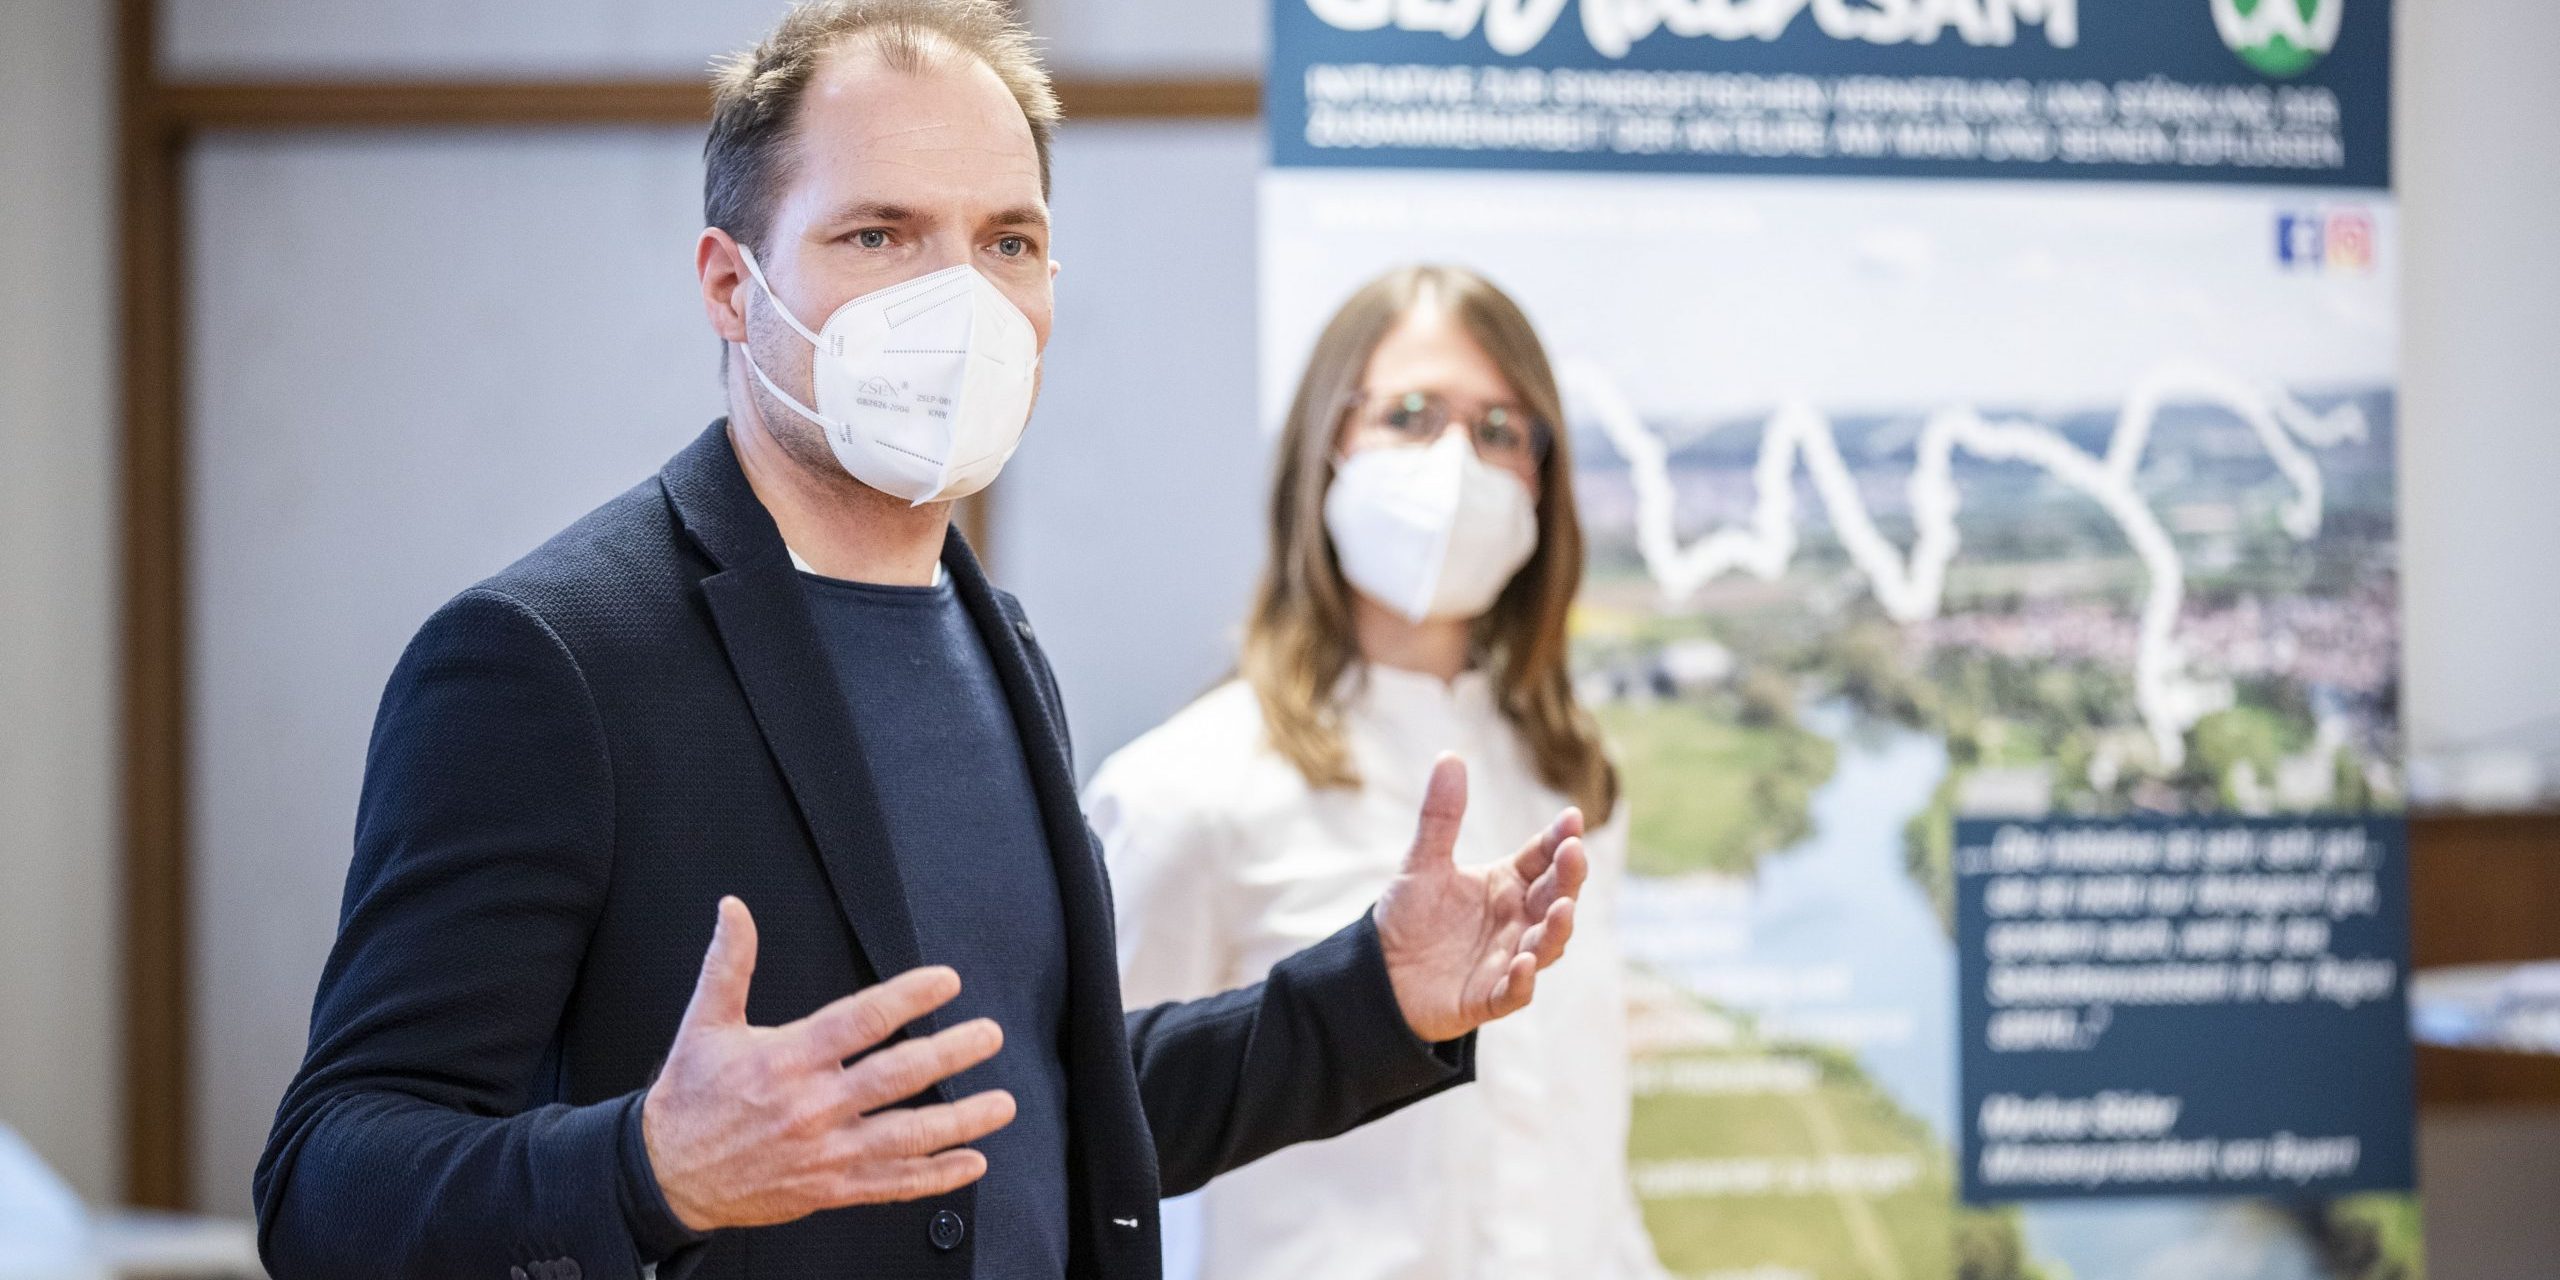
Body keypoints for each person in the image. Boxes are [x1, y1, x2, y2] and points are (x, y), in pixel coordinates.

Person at [250, 5, 1593, 1279]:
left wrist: (1374, 1000)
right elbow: (325, 1184)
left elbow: (1035, 1113)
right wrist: (649, 1168)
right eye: (881, 236)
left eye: (1007, 242)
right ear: (732, 282)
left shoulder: (991, 642)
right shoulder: (545, 658)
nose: (960, 302)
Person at [1087, 265, 1666, 1279]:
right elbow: (1095, 1147)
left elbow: (1581, 1161)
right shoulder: (1187, 792)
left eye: (1500, 429)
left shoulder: (1572, 776)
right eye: (1409, 414)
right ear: (1325, 449)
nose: (1457, 461)